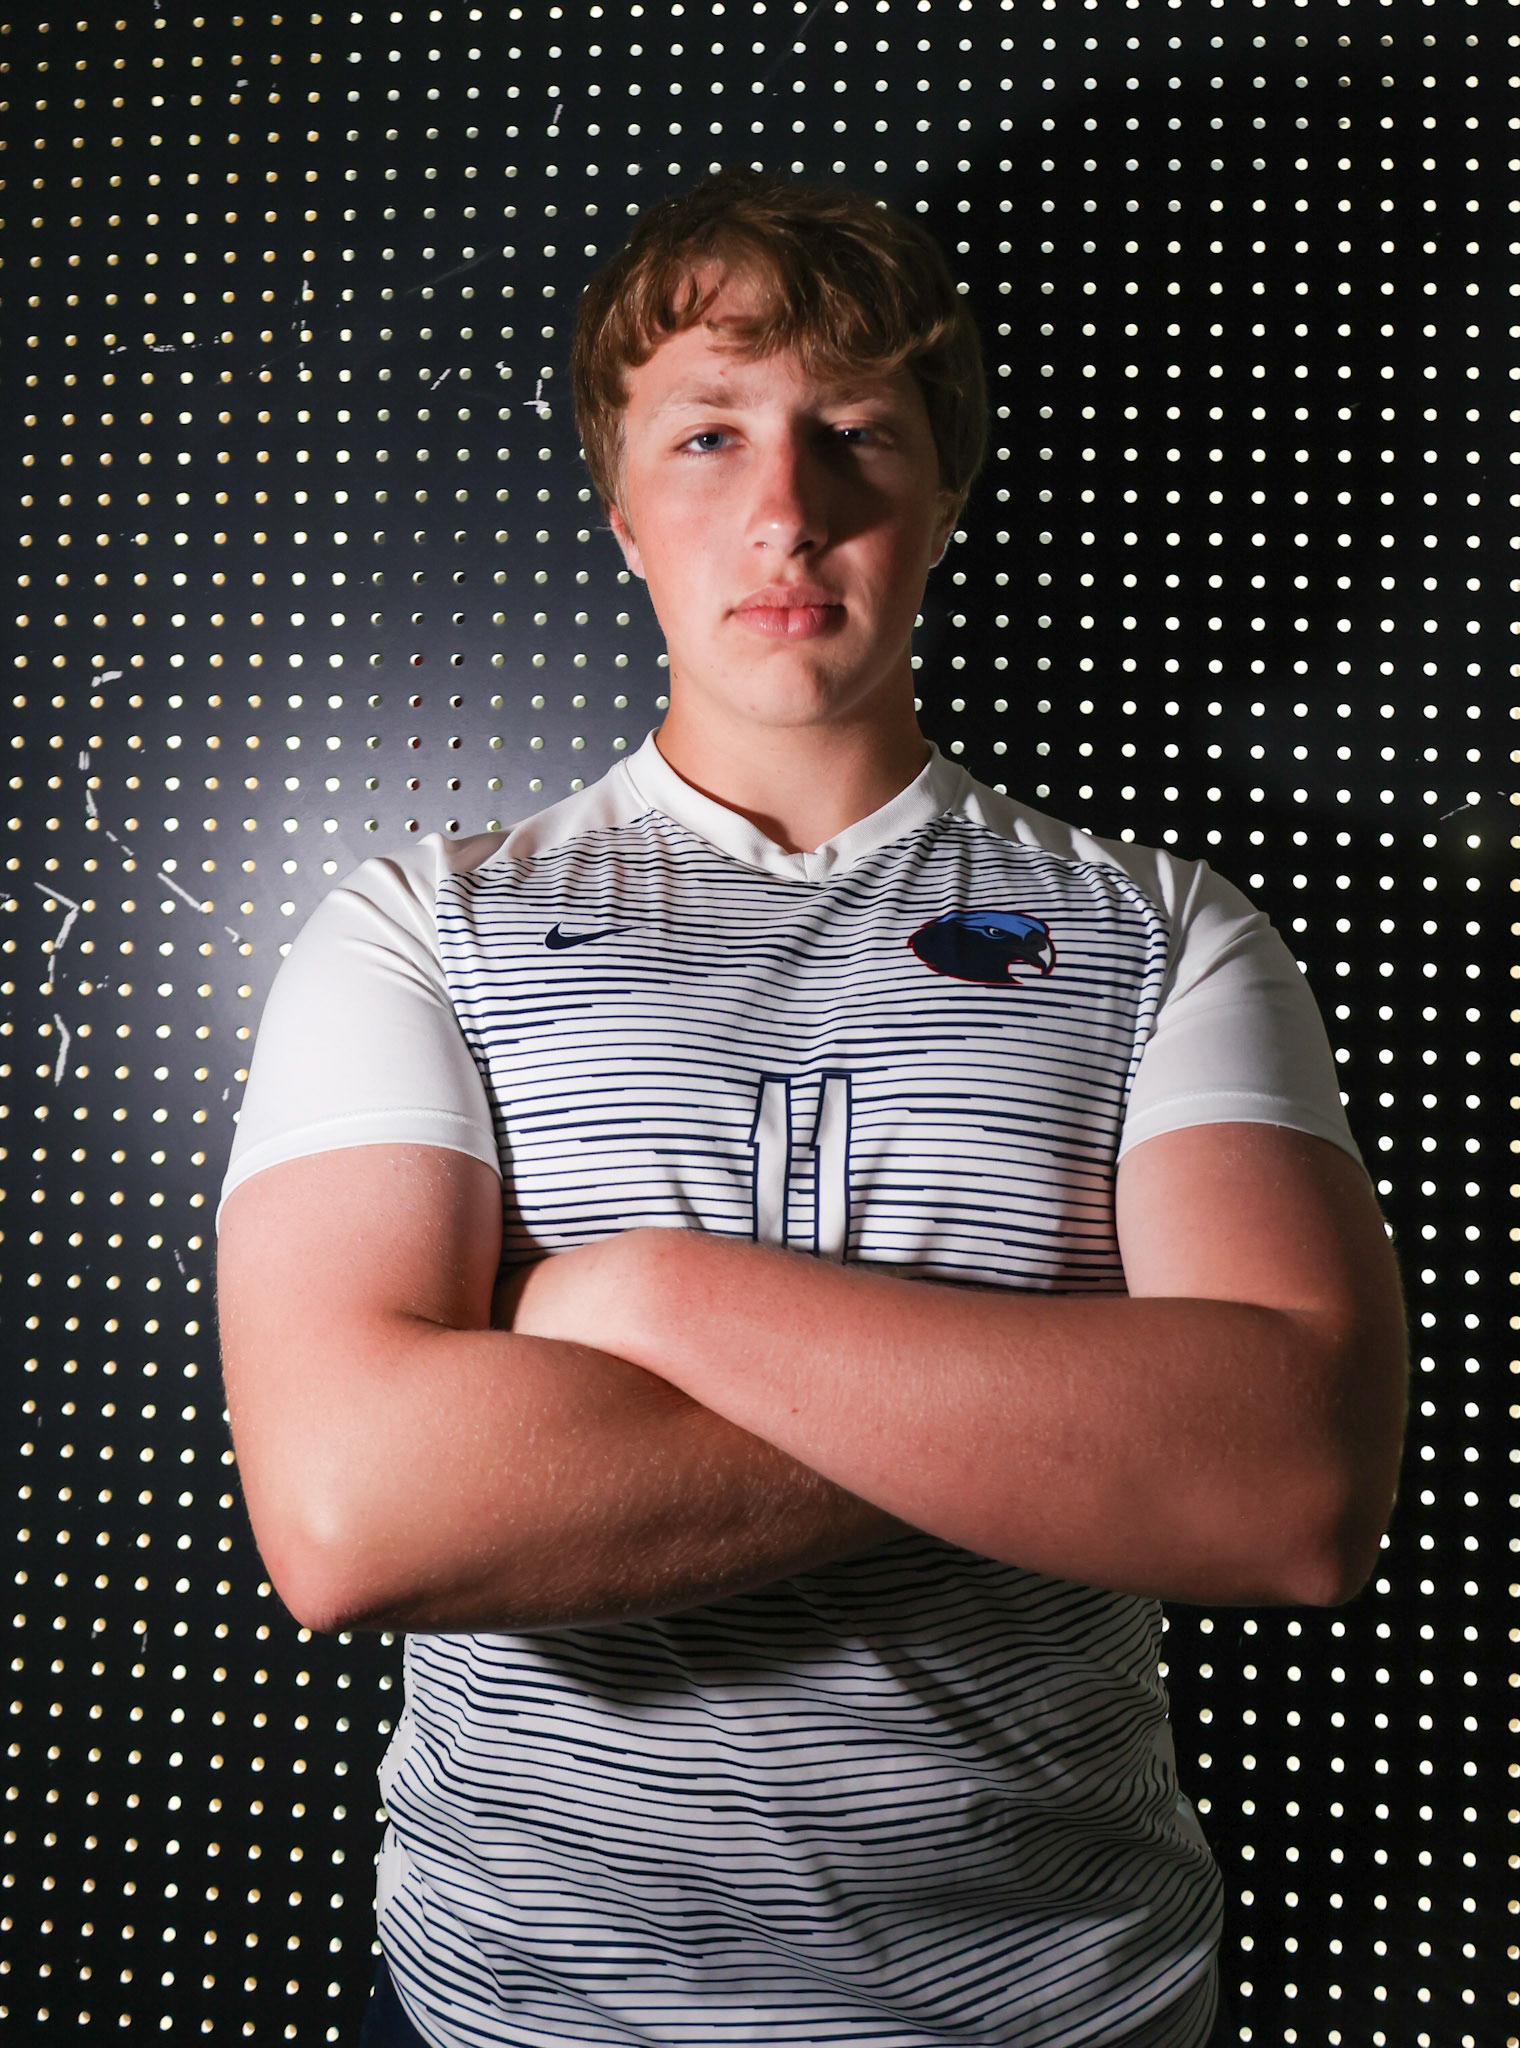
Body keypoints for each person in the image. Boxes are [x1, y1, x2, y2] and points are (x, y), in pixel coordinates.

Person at [216, 168, 1408, 2048]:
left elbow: (1288, 1485)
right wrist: (1070, 1406)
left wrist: (635, 1299)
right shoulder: (418, 925)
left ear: (943, 492)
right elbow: (362, 1513)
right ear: (621, 511)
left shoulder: (1168, 930)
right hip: (526, 2006)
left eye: (856, 431)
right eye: (710, 434)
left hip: (1065, 2002)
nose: (786, 507)